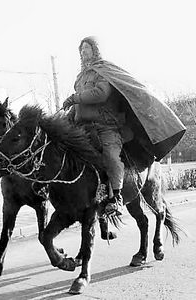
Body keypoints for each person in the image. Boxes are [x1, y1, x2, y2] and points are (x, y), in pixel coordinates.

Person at [62, 36, 186, 221]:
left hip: (105, 127)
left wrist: (75, 97)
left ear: (94, 50)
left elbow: (101, 94)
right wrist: (67, 116)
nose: (83, 52)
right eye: (81, 50)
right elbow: (79, 105)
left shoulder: (102, 70)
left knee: (111, 157)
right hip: (83, 128)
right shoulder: (81, 77)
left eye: (87, 48)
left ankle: (116, 197)